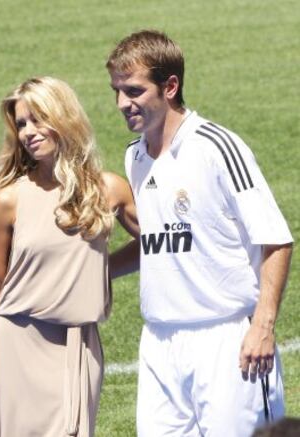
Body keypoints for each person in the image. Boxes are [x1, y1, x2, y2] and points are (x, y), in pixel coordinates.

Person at [106, 30, 293, 437]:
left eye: (134, 90)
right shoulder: (135, 156)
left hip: (227, 342)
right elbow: (158, 243)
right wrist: (93, 271)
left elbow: (276, 238)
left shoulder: (218, 147)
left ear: (170, 86)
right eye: (117, 91)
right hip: (159, 342)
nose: (123, 103)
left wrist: (262, 325)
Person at [0, 76, 138, 437]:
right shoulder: (9, 198)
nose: (28, 132)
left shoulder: (107, 189)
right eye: (20, 124)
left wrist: (101, 271)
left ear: (63, 117)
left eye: (37, 119)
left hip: (79, 348)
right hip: (17, 347)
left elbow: (156, 242)